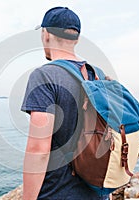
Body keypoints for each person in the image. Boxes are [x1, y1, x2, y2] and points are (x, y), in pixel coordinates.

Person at [21, 7, 110, 200]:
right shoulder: (99, 75)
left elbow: (38, 150)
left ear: (45, 34)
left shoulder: (44, 76)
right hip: (97, 193)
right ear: (76, 39)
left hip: (58, 193)